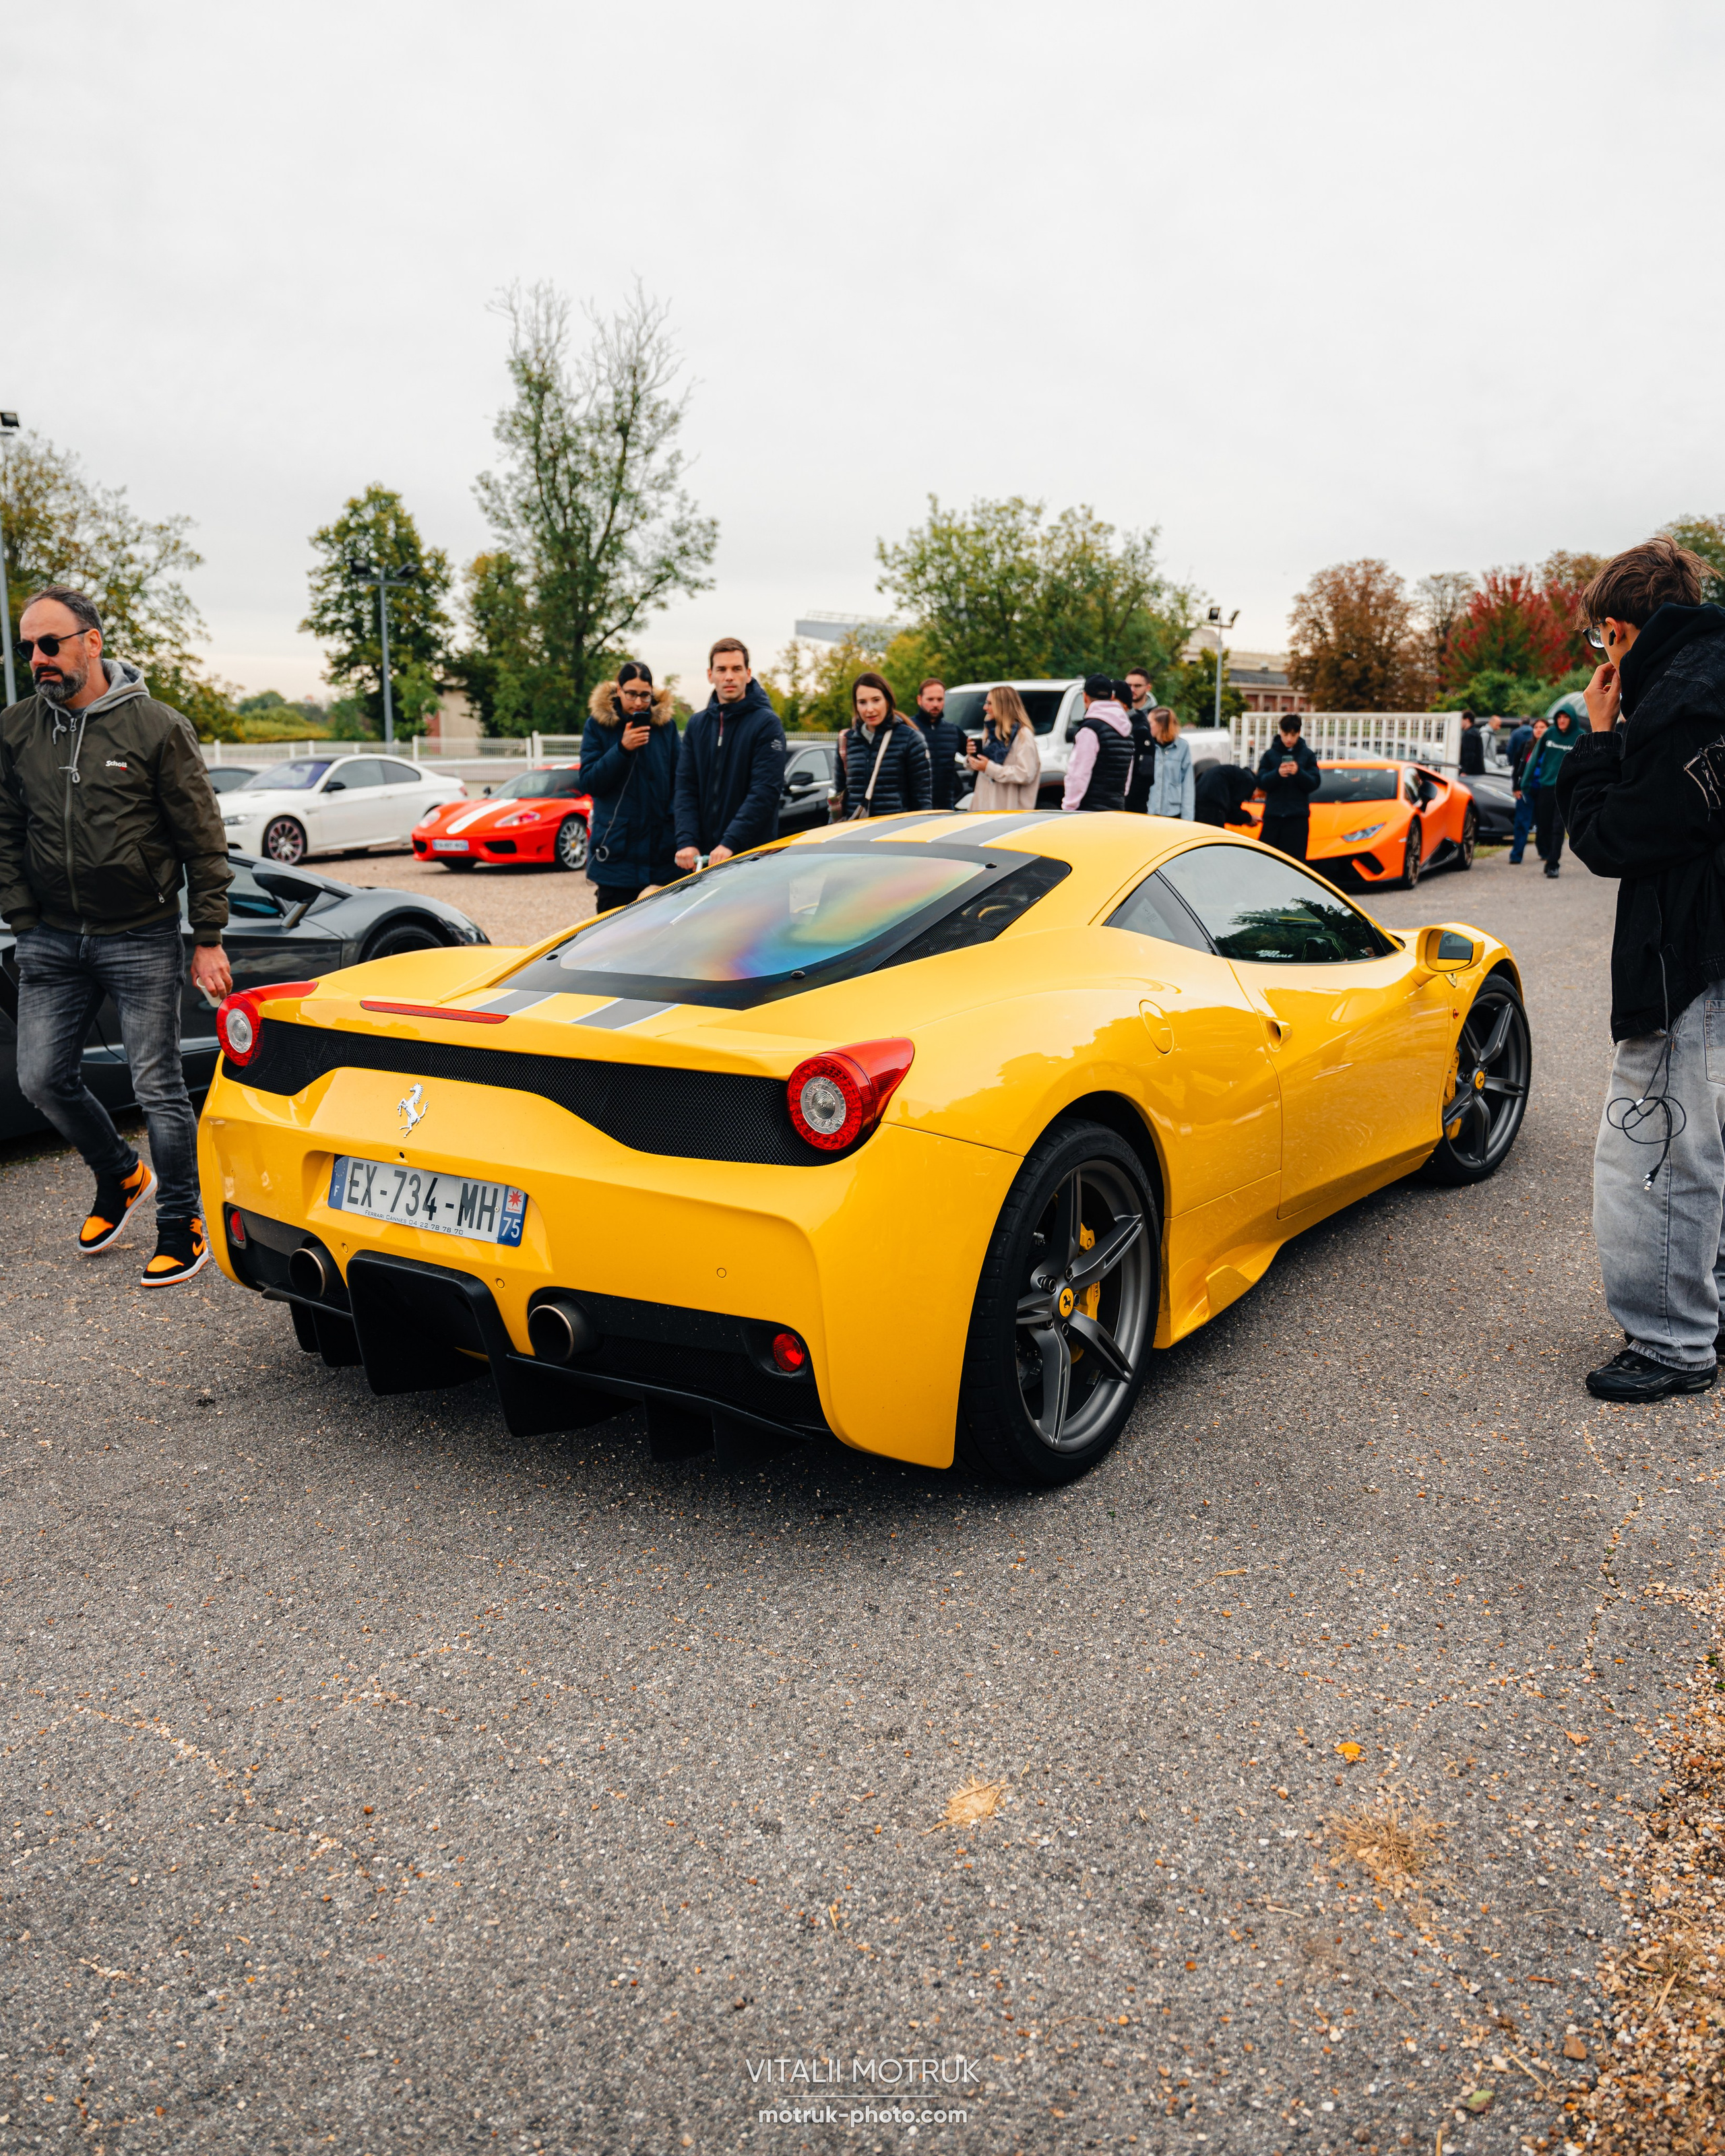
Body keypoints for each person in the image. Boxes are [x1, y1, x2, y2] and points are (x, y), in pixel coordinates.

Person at [0, 586, 232, 1285]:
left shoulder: (157, 727)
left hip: (140, 935)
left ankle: (182, 1221)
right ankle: (122, 1175)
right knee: (42, 1078)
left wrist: (209, 934)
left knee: (158, 1086)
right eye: (28, 648)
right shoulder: (16, 728)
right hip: (52, 939)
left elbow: (202, 837)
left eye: (50, 644)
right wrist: (23, 919)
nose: (38, 659)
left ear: (92, 642)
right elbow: (7, 830)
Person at [1556, 536, 1725, 1401]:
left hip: (1682, 953)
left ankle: (1671, 1337)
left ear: (1618, 631)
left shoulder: (1682, 700)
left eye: (1600, 638)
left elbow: (1613, 836)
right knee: (1710, 1135)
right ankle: (1709, 1307)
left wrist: (1596, 736)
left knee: (1651, 1144)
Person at [672, 637, 786, 872]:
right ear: (710, 675)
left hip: (752, 858)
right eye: (721, 669)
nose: (729, 677)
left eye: (736, 669)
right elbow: (685, 788)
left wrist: (730, 842)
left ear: (748, 674)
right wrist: (687, 841)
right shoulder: (697, 724)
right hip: (704, 860)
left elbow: (765, 791)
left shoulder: (767, 724)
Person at [579, 661, 680, 911]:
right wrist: (622, 749)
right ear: (619, 690)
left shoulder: (666, 727)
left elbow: (681, 783)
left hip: (661, 856)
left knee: (665, 929)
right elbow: (590, 782)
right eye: (631, 694)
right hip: (616, 855)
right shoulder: (598, 725)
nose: (638, 702)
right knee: (613, 931)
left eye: (645, 695)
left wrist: (674, 830)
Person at [836, 672, 931, 818]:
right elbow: (838, 793)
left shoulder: (910, 739)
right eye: (862, 702)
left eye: (876, 700)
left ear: (887, 700)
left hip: (895, 829)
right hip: (856, 829)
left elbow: (922, 800)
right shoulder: (846, 740)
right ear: (856, 706)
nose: (870, 709)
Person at [1523, 703, 1585, 877]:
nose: (1562, 720)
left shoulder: (1580, 736)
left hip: (1566, 790)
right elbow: (1534, 757)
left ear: (1572, 719)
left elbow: (1586, 764)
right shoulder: (1549, 734)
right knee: (1543, 826)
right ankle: (1548, 855)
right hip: (1546, 788)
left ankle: (1553, 864)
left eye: (1566, 717)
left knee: (1558, 827)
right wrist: (1525, 782)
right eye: (1559, 717)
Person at [1062, 674, 1135, 811]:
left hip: (1089, 811)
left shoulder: (1090, 729)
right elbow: (1127, 779)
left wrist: (1069, 807)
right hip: (1117, 808)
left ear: (1085, 697)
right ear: (1112, 697)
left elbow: (1078, 775)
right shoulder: (1127, 729)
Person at [1255, 713, 1321, 858]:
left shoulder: (1307, 755)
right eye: (1285, 734)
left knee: (1295, 862)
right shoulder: (1270, 755)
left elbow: (1314, 783)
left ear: (1299, 733)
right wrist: (1277, 774)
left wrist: (1298, 773)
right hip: (1273, 817)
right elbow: (1260, 782)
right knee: (1267, 859)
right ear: (1280, 731)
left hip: (1297, 818)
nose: (1289, 739)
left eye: (1293, 734)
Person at [964, 687, 1040, 811]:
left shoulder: (1023, 735)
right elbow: (981, 768)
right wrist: (971, 756)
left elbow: (1025, 774)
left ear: (1003, 706)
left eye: (990, 703)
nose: (985, 708)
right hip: (982, 809)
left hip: (1007, 812)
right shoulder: (990, 731)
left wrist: (989, 768)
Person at [910, 678, 965, 812]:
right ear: (919, 700)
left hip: (946, 806)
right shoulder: (908, 729)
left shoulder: (953, 730)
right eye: (930, 699)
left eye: (940, 699)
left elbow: (977, 756)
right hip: (913, 807)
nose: (935, 704)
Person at [1135, 705, 1195, 819]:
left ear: (1161, 725)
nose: (1147, 726)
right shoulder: (1147, 745)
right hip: (1148, 811)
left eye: (1150, 723)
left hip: (1172, 813)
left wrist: (1188, 819)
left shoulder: (1182, 747)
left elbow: (1188, 786)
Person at [1508, 714, 1548, 863]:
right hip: (1526, 789)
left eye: (1542, 727)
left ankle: (1544, 851)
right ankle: (1516, 855)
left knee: (1543, 823)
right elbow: (1517, 767)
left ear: (1548, 729)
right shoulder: (1526, 746)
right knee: (1521, 822)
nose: (1538, 730)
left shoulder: (1551, 747)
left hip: (1545, 790)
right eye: (1536, 727)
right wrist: (1516, 787)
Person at [1194, 758, 1260, 829]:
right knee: (1214, 832)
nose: (1255, 799)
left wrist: (1246, 819)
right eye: (1259, 796)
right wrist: (1249, 819)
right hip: (1214, 804)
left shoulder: (1237, 774)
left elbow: (1230, 811)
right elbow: (1233, 808)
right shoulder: (1249, 781)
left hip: (1199, 799)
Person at [1458, 711, 1486, 775]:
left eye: (1461, 720)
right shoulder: (1474, 732)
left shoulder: (1469, 734)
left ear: (1467, 720)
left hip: (1471, 773)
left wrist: (1465, 771)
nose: (1460, 723)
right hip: (1477, 771)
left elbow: (1469, 754)